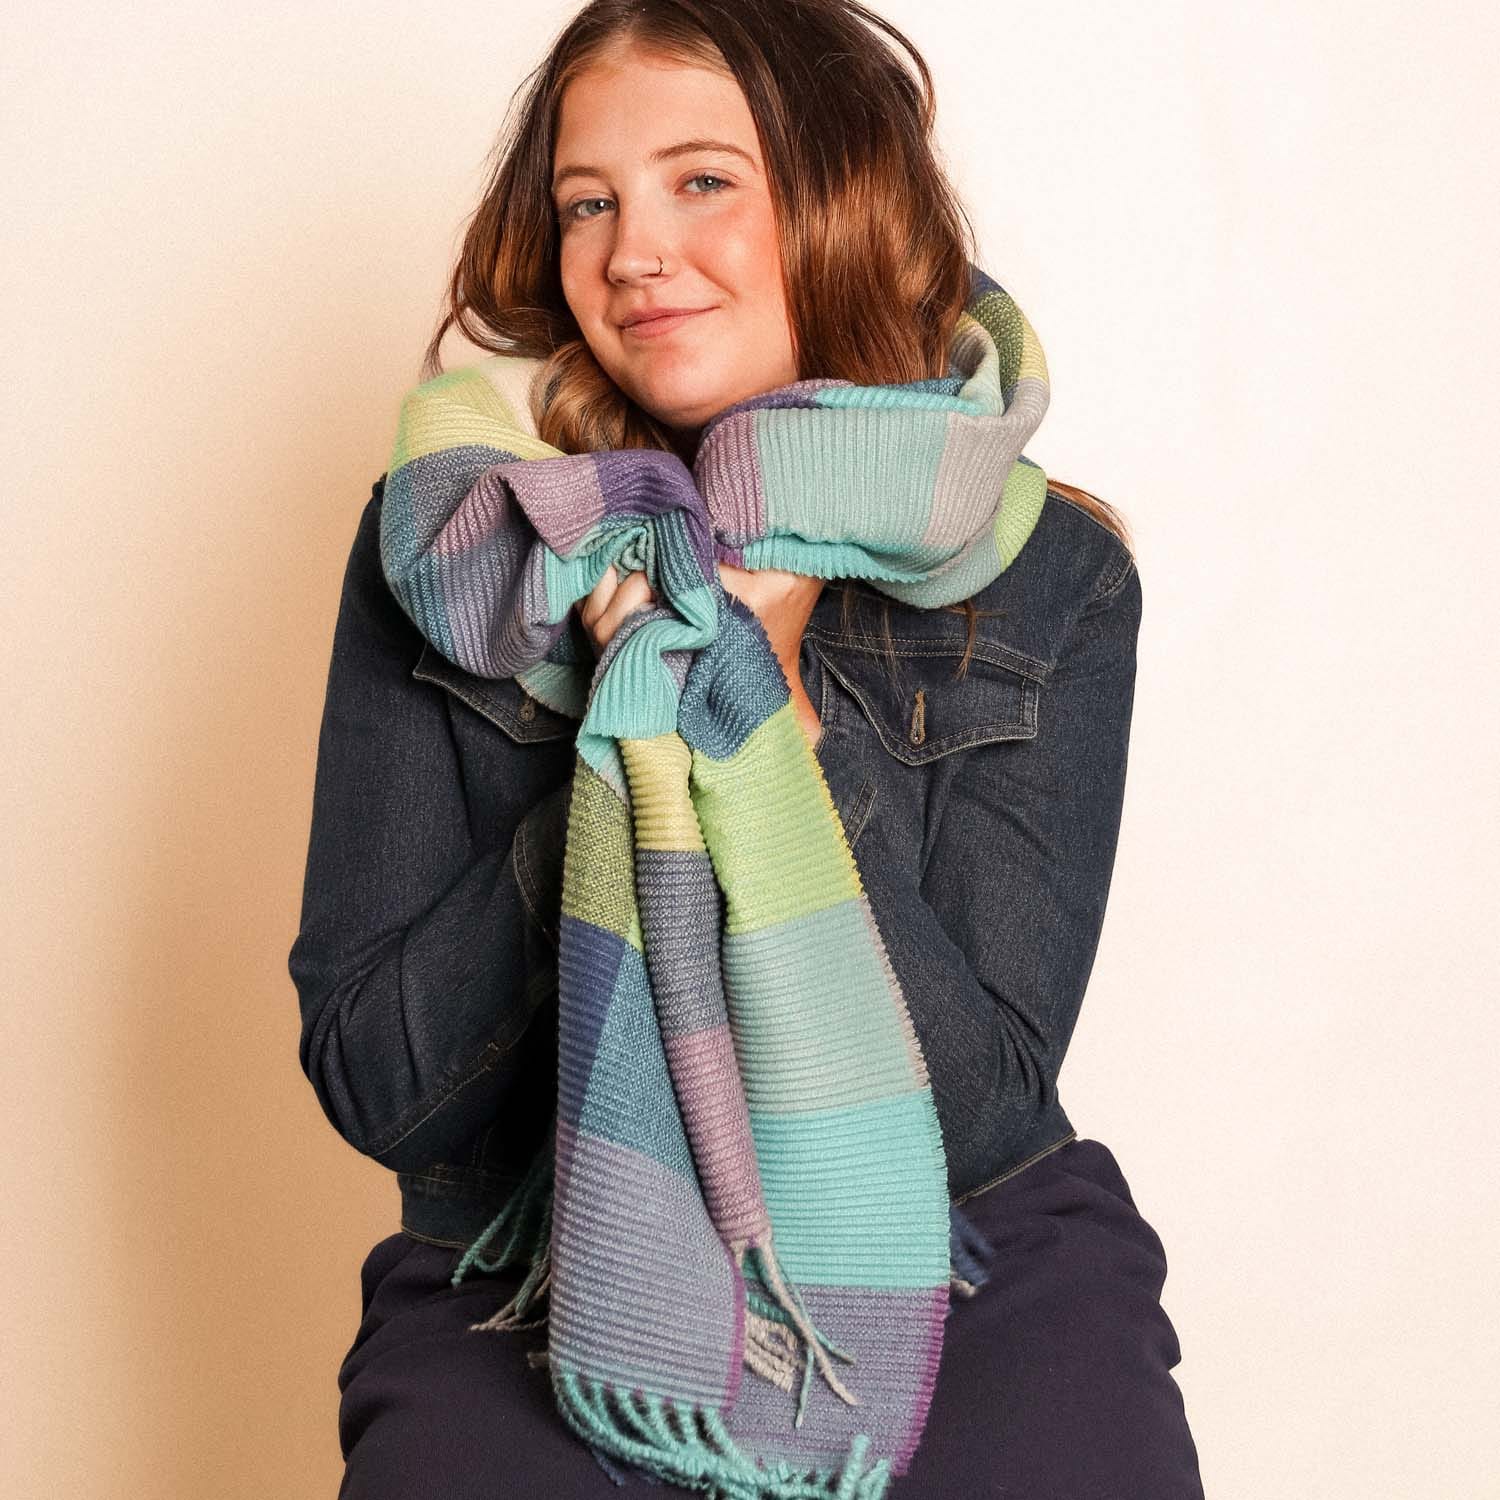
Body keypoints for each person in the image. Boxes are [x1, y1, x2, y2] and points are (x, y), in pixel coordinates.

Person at [287, 2, 1206, 1494]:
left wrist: (755, 694)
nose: (633, 248)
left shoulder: (1051, 572)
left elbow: (982, 1096)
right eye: (590, 201)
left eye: (701, 179)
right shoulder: (461, 539)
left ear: (843, 193)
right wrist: (626, 715)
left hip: (963, 1245)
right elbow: (380, 1081)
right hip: (530, 1251)